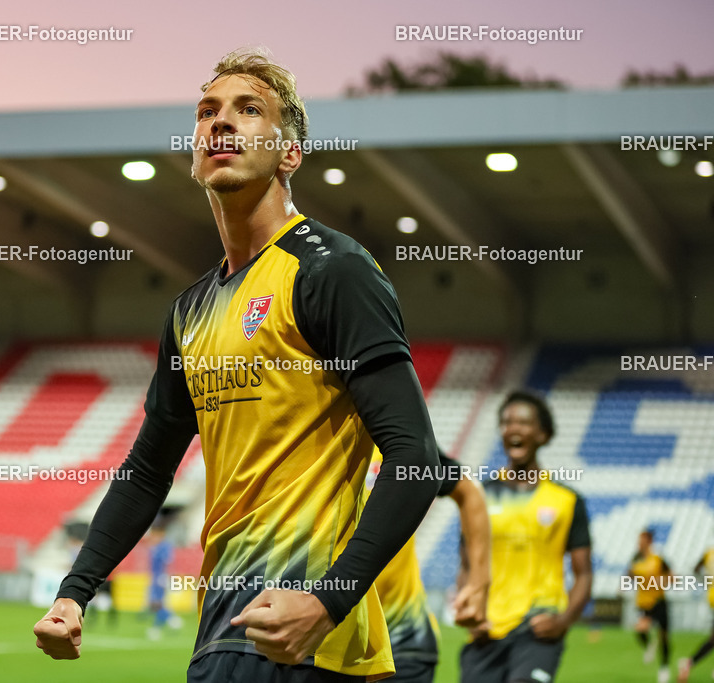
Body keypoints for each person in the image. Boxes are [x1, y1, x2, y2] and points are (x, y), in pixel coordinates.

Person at [34, 47, 441, 682]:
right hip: (223, 627)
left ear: (290, 153)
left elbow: (415, 456)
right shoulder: (189, 310)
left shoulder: (332, 269)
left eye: (249, 110)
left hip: (307, 635)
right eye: (207, 112)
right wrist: (74, 591)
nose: (221, 122)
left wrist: (328, 600)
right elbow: (147, 470)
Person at [460, 390, 592, 683]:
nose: (513, 428)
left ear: (543, 434)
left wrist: (564, 621)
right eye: (506, 422)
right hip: (487, 629)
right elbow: (467, 566)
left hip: (538, 628)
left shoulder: (568, 501)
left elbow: (583, 574)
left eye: (523, 422)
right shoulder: (477, 497)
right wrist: (470, 614)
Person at [370, 448, 491, 683]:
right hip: (318, 639)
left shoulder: (391, 438)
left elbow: (466, 488)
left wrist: (479, 583)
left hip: (402, 638)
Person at [629, 529, 674, 682]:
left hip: (659, 602)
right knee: (640, 630)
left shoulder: (658, 560)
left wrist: (663, 581)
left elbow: (672, 576)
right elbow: (630, 575)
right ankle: (649, 646)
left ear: (648, 542)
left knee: (664, 637)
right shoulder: (635, 559)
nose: (639, 543)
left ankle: (664, 667)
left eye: (641, 540)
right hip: (644, 603)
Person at [676, 547, 714, 681]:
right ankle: (688, 664)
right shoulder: (708, 554)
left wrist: (706, 581)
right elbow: (696, 570)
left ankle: (688, 664)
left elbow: (696, 570)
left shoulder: (708, 554)